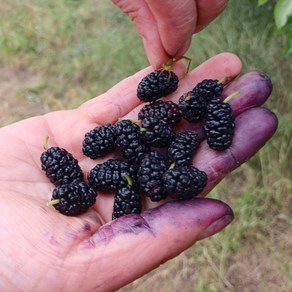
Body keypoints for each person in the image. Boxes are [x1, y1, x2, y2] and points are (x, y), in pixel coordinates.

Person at [0, 2, 278, 291]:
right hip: (134, 162)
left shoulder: (156, 147)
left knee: (167, 150)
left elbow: (151, 156)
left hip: (149, 156)